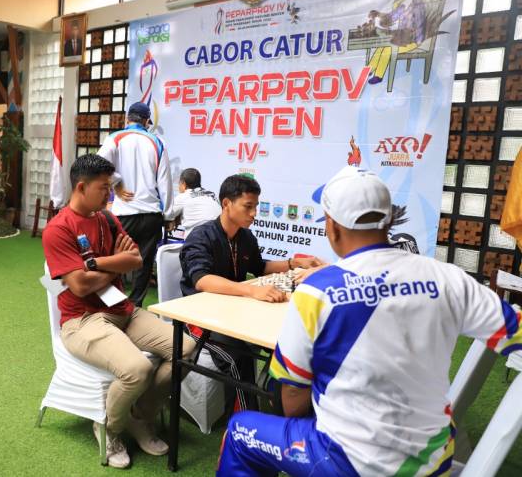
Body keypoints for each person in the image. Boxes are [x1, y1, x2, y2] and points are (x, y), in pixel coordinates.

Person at [217, 166, 522, 476]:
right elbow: (516, 331)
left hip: (348, 461)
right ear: (389, 221)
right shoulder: (449, 277)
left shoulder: (317, 291)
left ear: (332, 227)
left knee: (241, 431)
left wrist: (300, 426)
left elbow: (293, 393)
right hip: (433, 461)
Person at [42, 154, 195, 469]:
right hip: (82, 321)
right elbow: (80, 286)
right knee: (137, 369)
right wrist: (116, 264)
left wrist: (94, 263)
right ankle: (110, 429)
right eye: (103, 188)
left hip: (123, 310)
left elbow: (135, 259)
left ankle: (140, 416)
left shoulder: (108, 219)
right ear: (81, 187)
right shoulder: (58, 229)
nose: (110, 194)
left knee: (187, 350)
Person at [180, 174, 322, 411]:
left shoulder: (245, 237)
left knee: (284, 341)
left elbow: (260, 267)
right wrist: (251, 291)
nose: (254, 213)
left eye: (255, 206)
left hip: (234, 313)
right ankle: (246, 423)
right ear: (226, 204)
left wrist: (295, 263)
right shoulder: (201, 236)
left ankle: (276, 401)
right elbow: (202, 280)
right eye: (248, 206)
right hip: (199, 320)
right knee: (240, 359)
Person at [98, 101, 175, 306]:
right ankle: (136, 305)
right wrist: (168, 215)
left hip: (123, 213)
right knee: (144, 262)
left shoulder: (115, 138)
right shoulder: (158, 142)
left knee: (115, 258)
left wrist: (116, 183)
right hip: (151, 213)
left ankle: (113, 304)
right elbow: (165, 182)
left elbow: (98, 164)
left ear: (127, 118)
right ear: (147, 121)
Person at [366, 0, 427, 85]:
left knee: (387, 49)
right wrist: (379, 15)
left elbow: (417, 21)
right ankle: (369, 69)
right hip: (400, 38)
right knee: (381, 47)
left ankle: (378, 75)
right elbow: (392, 17)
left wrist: (418, 39)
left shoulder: (414, 3)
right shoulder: (400, 1)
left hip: (412, 40)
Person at [172, 168, 221, 238]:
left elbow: (167, 215)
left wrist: (172, 220)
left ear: (183, 183)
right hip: (219, 237)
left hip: (200, 239)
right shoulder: (211, 194)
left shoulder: (183, 196)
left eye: (179, 183)